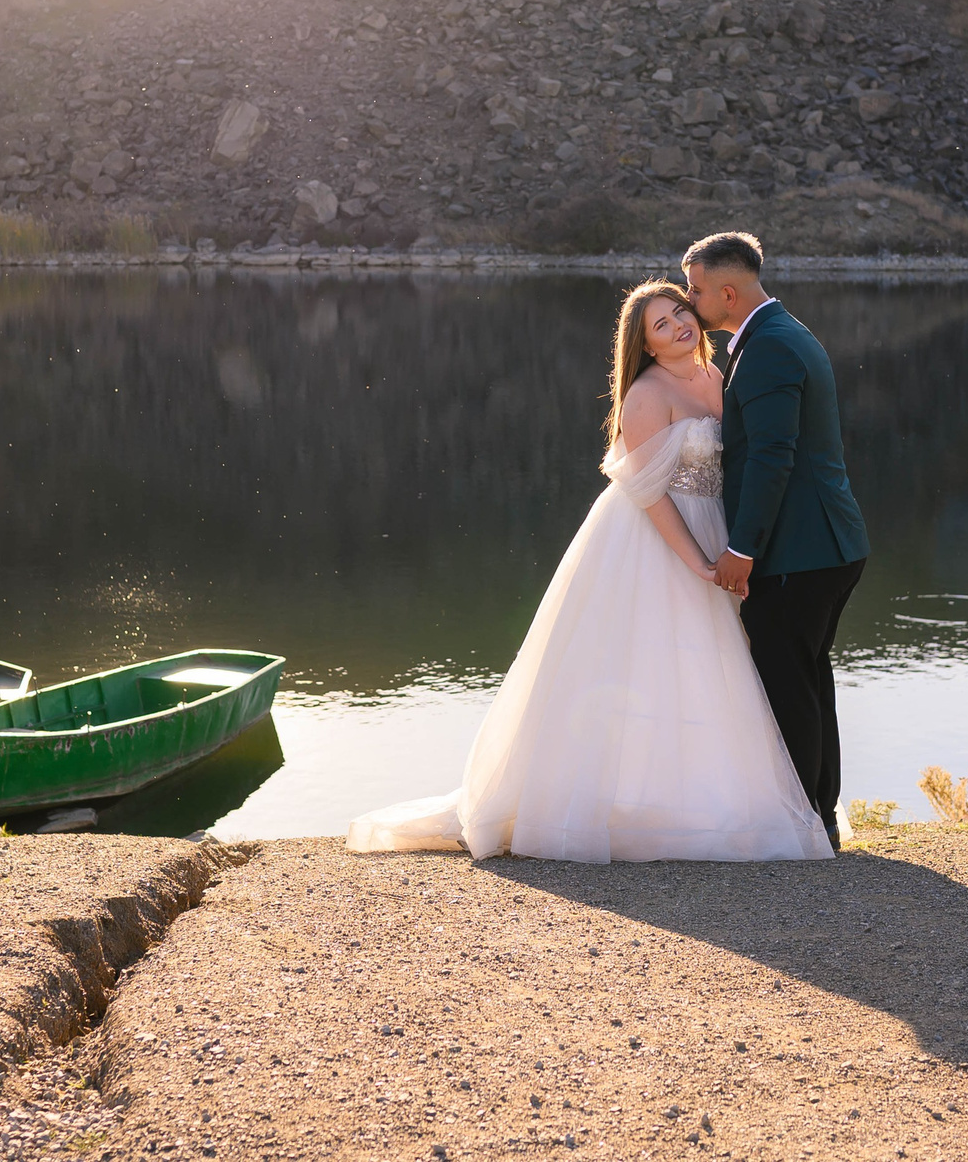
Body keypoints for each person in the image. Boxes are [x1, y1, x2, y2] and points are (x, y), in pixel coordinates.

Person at [347, 279, 832, 863]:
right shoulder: (647, 397)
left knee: (729, 667)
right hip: (665, 535)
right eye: (662, 324)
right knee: (661, 662)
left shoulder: (719, 372)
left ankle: (724, 795)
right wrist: (698, 563)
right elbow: (651, 495)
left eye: (681, 310)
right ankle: (645, 808)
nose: (679, 324)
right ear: (646, 347)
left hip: (722, 529)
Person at [681, 231, 870, 849]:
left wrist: (742, 548)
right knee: (809, 678)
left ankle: (805, 827)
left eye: (698, 289)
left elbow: (770, 456)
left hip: (800, 551)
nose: (690, 300)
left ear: (728, 292)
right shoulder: (778, 333)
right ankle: (819, 818)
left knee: (790, 683)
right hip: (826, 546)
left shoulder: (768, 349)